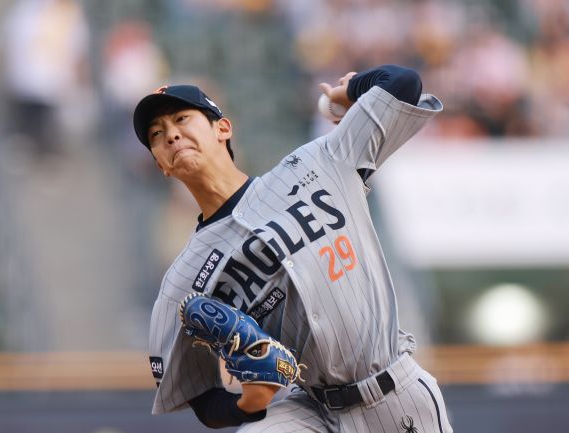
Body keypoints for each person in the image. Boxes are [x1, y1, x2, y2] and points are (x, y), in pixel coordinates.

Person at [135, 65, 452, 432]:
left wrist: (352, 91)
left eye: (181, 119)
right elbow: (203, 400)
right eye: (156, 135)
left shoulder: (319, 163)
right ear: (160, 164)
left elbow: (404, 84)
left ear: (223, 128)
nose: (171, 135)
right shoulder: (183, 281)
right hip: (311, 410)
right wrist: (247, 403)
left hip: (395, 393)